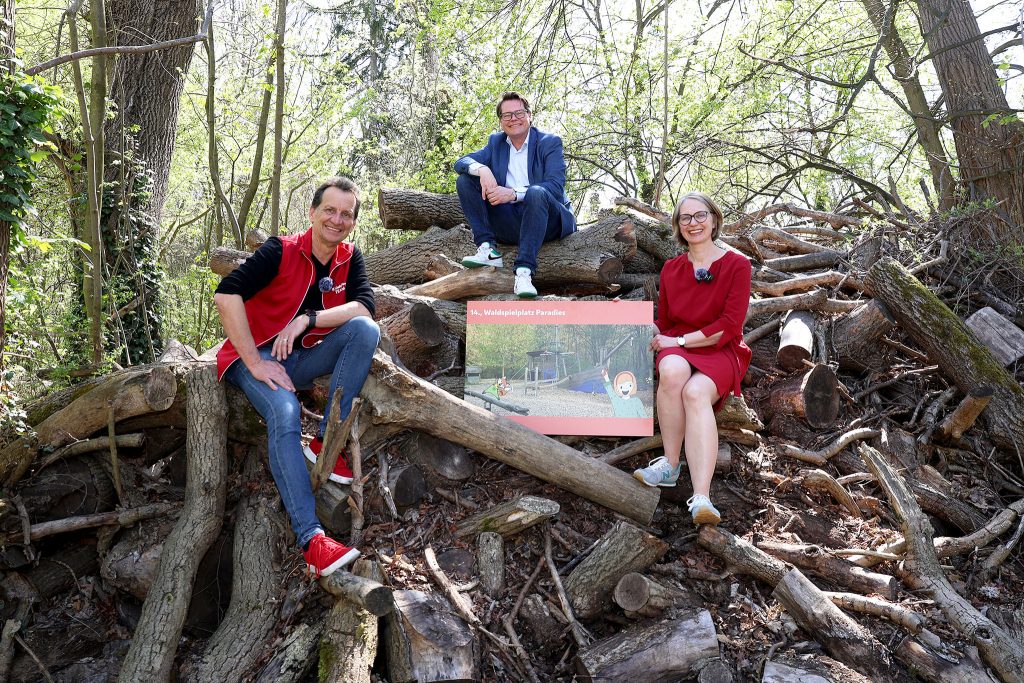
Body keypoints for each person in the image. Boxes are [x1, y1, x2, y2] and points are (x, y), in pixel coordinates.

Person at [214, 176, 380, 577]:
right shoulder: (280, 250)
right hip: (251, 356)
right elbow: (226, 294)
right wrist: (255, 361)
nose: (336, 220)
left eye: (345, 214)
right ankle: (312, 540)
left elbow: (365, 308)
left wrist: (309, 319)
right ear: (312, 212)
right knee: (285, 413)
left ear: (353, 221)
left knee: (366, 332)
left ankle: (326, 439)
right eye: (329, 210)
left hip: (300, 355)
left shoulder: (349, 257)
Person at [635, 192, 751, 527]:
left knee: (695, 393)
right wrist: (638, 326)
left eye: (700, 216)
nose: (693, 223)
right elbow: (667, 321)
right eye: (685, 218)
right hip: (679, 344)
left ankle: (701, 496)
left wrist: (679, 339)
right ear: (678, 226)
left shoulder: (737, 265)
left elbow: (729, 326)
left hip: (720, 348)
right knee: (671, 370)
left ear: (714, 219)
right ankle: (670, 466)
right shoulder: (671, 269)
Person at [454, 91, 577, 298]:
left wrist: (512, 194)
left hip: (548, 220)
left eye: (519, 113)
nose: (513, 119)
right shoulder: (496, 143)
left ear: (529, 115)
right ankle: (487, 248)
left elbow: (555, 187)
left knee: (537, 192)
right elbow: (461, 162)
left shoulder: (549, 142)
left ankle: (524, 272)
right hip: (511, 223)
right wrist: (482, 170)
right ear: (501, 121)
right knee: (465, 180)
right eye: (507, 115)